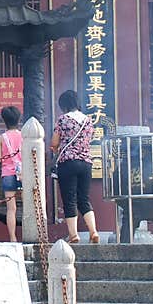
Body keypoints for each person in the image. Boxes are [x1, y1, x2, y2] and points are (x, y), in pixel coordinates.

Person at [50, 89, 99, 244]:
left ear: (64, 105)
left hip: (68, 163)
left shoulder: (62, 120)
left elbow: (54, 143)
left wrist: (55, 149)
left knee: (69, 199)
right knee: (83, 199)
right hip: (86, 163)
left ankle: (74, 235)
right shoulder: (88, 120)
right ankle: (93, 231)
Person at [0, 105, 23, 243]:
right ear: (18, 119)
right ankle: (30, 234)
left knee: (11, 209)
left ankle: (13, 238)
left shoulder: (2, 137)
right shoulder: (23, 135)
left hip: (7, 174)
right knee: (28, 206)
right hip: (23, 174)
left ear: (4, 120)